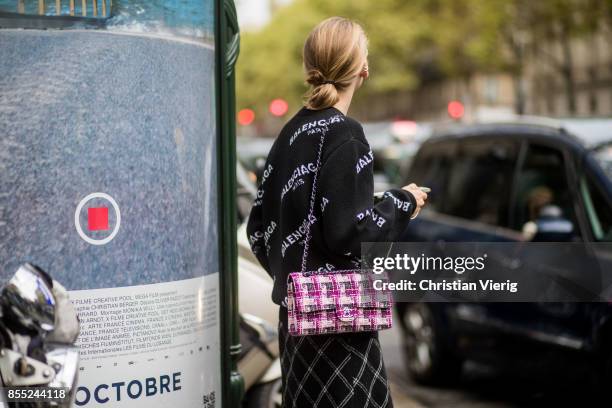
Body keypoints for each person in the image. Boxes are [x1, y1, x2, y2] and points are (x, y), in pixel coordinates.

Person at [246, 16, 428, 408]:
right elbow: (352, 234)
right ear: (363, 68)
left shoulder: (288, 134)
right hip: (341, 328)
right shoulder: (346, 134)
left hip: (296, 324)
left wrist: (296, 279)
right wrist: (402, 202)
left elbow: (258, 229)